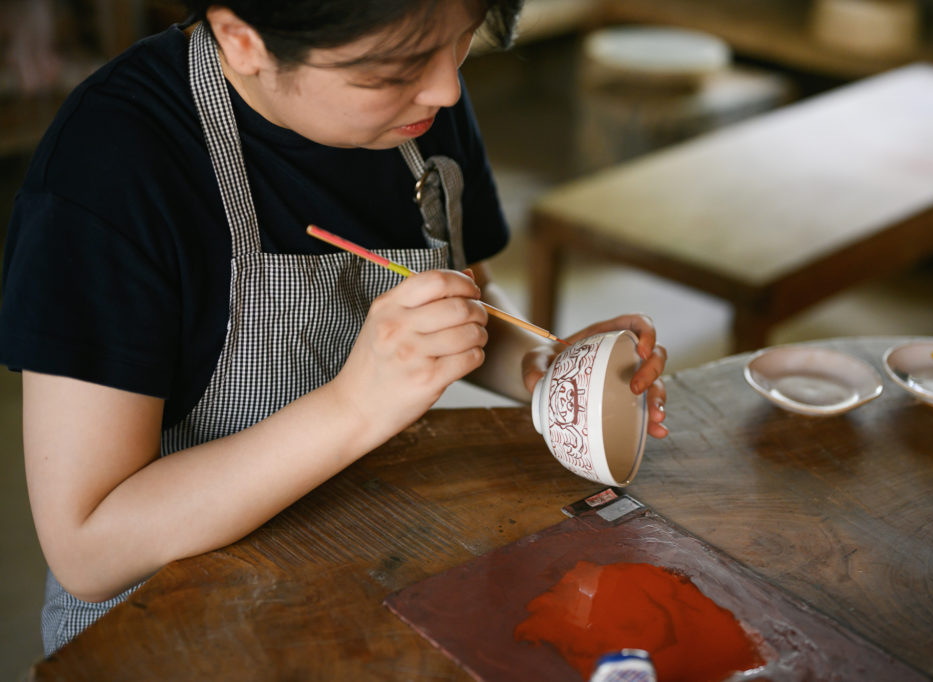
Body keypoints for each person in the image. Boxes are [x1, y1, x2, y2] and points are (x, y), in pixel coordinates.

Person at [0, 0, 668, 654]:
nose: (446, 87)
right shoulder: (108, 171)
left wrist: (549, 372)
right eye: (394, 69)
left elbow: (470, 299)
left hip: (353, 562)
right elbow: (88, 546)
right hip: (169, 629)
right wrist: (353, 406)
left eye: (461, 36)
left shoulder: (419, 105)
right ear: (243, 39)